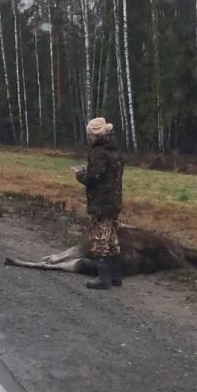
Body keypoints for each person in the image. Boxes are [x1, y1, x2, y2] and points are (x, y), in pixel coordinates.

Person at [72, 117, 124, 290]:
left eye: (89, 134)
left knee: (100, 238)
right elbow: (107, 174)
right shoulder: (115, 149)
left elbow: (94, 178)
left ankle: (103, 278)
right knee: (112, 238)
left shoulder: (99, 152)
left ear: (94, 134)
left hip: (101, 202)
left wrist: (80, 174)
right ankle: (116, 276)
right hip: (114, 200)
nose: (88, 137)